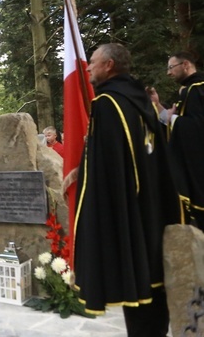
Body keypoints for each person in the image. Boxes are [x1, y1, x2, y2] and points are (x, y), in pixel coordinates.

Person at [74, 44, 180, 335]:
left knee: (138, 292)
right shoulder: (140, 99)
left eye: (92, 62)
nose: (88, 67)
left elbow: (109, 168)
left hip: (128, 211)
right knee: (151, 291)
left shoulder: (108, 103)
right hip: (152, 208)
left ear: (108, 65)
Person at [149, 52, 204, 227]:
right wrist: (158, 106)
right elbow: (179, 124)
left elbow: (196, 127)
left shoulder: (197, 89)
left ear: (186, 65)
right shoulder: (189, 90)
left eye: (171, 67)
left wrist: (173, 119)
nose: (168, 73)